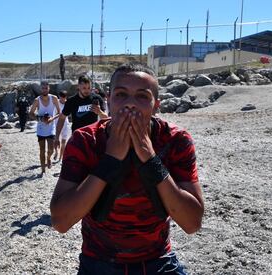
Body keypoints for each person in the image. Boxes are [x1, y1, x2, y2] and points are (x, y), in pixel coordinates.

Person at [50, 64, 204, 274]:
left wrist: (150, 158)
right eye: (121, 94)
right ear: (109, 101)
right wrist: (110, 159)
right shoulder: (85, 140)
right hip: (99, 261)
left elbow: (192, 222)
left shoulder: (175, 140)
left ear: (156, 105)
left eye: (142, 96)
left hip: (157, 259)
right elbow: (61, 221)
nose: (130, 104)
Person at [54, 75, 107, 148]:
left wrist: (99, 112)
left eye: (89, 88)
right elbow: (62, 118)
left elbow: (106, 119)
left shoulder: (97, 98)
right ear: (78, 87)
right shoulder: (71, 101)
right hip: (77, 138)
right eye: (84, 88)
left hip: (93, 138)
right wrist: (57, 137)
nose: (87, 90)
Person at [29, 81, 61, 174]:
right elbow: (30, 114)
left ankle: (48, 158)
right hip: (41, 129)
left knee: (50, 149)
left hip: (51, 128)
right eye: (43, 88)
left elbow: (59, 112)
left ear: (49, 88)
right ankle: (43, 169)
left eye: (46, 88)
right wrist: (40, 118)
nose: (44, 90)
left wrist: (52, 119)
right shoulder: (37, 100)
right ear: (40, 89)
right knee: (42, 150)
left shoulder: (54, 98)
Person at [53, 90, 70, 162]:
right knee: (56, 140)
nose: (62, 99)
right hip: (57, 123)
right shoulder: (57, 103)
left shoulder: (68, 103)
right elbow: (54, 114)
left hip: (65, 123)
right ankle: (56, 152)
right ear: (59, 96)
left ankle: (60, 157)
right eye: (61, 97)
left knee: (64, 141)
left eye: (64, 97)